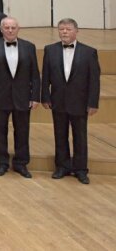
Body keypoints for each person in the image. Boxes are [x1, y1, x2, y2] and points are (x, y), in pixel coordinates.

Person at [41, 18, 100, 184]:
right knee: (60, 135)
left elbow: (94, 80)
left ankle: (81, 169)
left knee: (80, 137)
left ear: (76, 31)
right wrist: (45, 96)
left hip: (80, 102)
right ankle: (62, 167)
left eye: (67, 29)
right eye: (61, 29)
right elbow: (45, 76)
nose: (64, 32)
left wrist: (93, 103)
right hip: (58, 100)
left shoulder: (89, 52)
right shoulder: (50, 50)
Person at [0, 17, 39, 178]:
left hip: (22, 96)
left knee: (22, 131)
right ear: (1, 29)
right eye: (6, 27)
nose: (10, 30)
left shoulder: (29, 47)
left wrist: (35, 96)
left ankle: (21, 163)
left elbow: (35, 75)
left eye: (13, 27)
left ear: (18, 28)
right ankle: (1, 163)